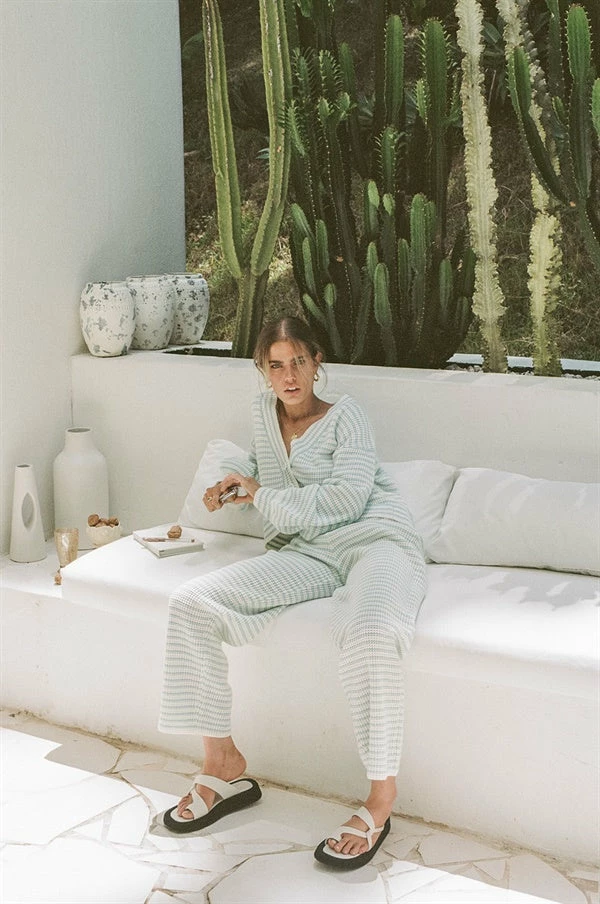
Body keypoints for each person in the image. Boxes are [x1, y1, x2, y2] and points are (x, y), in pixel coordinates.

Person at [159, 316, 426, 870]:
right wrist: (235, 480)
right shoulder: (264, 413)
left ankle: (381, 798)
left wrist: (261, 494)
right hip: (305, 550)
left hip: (373, 540)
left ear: (316, 362)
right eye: (276, 365)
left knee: (372, 632)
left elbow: (348, 500)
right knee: (190, 604)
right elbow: (266, 468)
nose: (289, 376)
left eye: (298, 362)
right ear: (263, 370)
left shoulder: (347, 416)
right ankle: (222, 761)